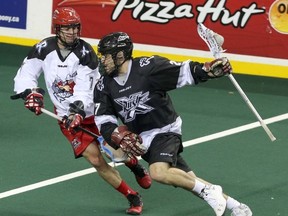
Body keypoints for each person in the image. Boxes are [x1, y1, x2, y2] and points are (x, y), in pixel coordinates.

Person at [89, 31, 253, 216]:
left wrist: (207, 70)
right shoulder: (103, 85)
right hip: (142, 140)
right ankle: (237, 207)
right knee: (187, 180)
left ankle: (212, 191)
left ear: (120, 55)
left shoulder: (147, 67)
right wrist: (117, 135)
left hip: (165, 129)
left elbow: (182, 71)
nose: (102, 60)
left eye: (106, 56)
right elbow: (103, 119)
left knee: (158, 172)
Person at [13, 8, 151, 215]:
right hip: (64, 116)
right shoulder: (44, 48)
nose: (71, 32)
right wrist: (31, 93)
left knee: (117, 150)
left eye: (75, 27)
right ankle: (132, 195)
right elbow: (27, 72)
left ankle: (135, 166)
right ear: (57, 29)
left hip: (93, 112)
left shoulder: (86, 54)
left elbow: (85, 89)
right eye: (67, 28)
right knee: (96, 159)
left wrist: (76, 112)